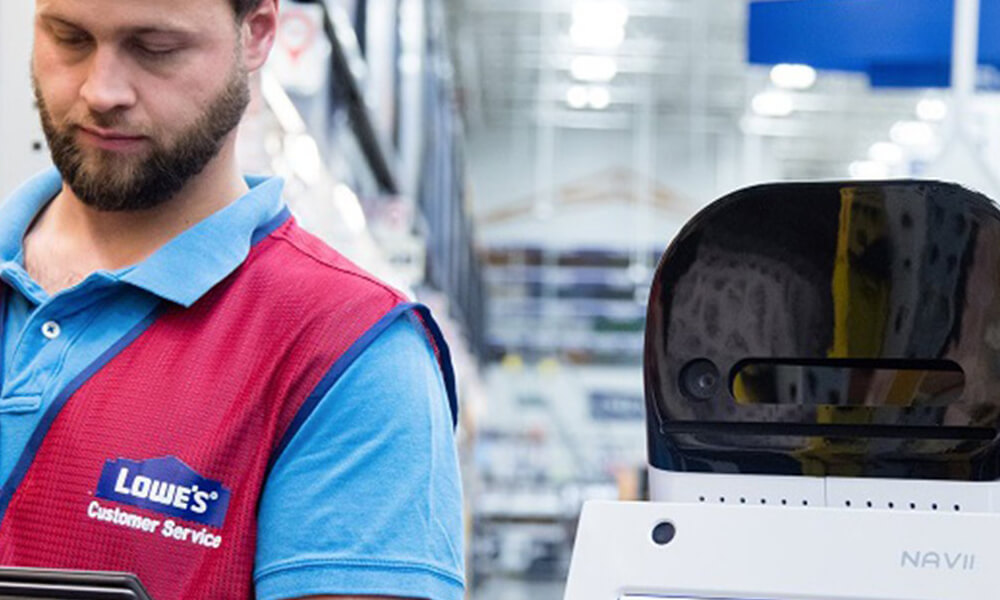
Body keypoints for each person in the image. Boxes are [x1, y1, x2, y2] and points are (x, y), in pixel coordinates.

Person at [0, 0, 465, 599]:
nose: (102, 90)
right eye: (69, 38)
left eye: (155, 48)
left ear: (257, 34)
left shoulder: (349, 354)